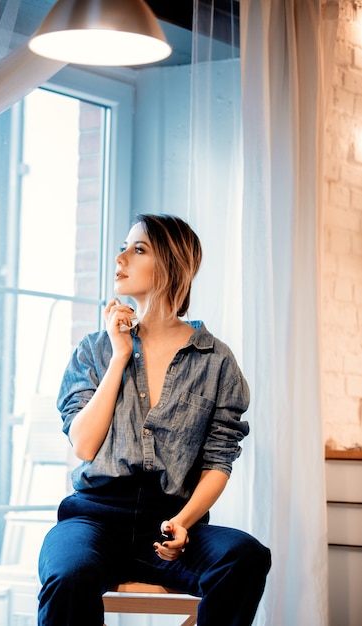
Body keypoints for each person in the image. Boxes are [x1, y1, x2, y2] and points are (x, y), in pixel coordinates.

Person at [38, 213, 271, 625]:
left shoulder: (216, 361)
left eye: (138, 248)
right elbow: (84, 445)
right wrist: (119, 356)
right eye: (124, 246)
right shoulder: (95, 350)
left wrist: (182, 524)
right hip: (92, 520)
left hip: (171, 525)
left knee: (246, 556)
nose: (121, 256)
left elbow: (219, 460)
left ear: (170, 265)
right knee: (68, 577)